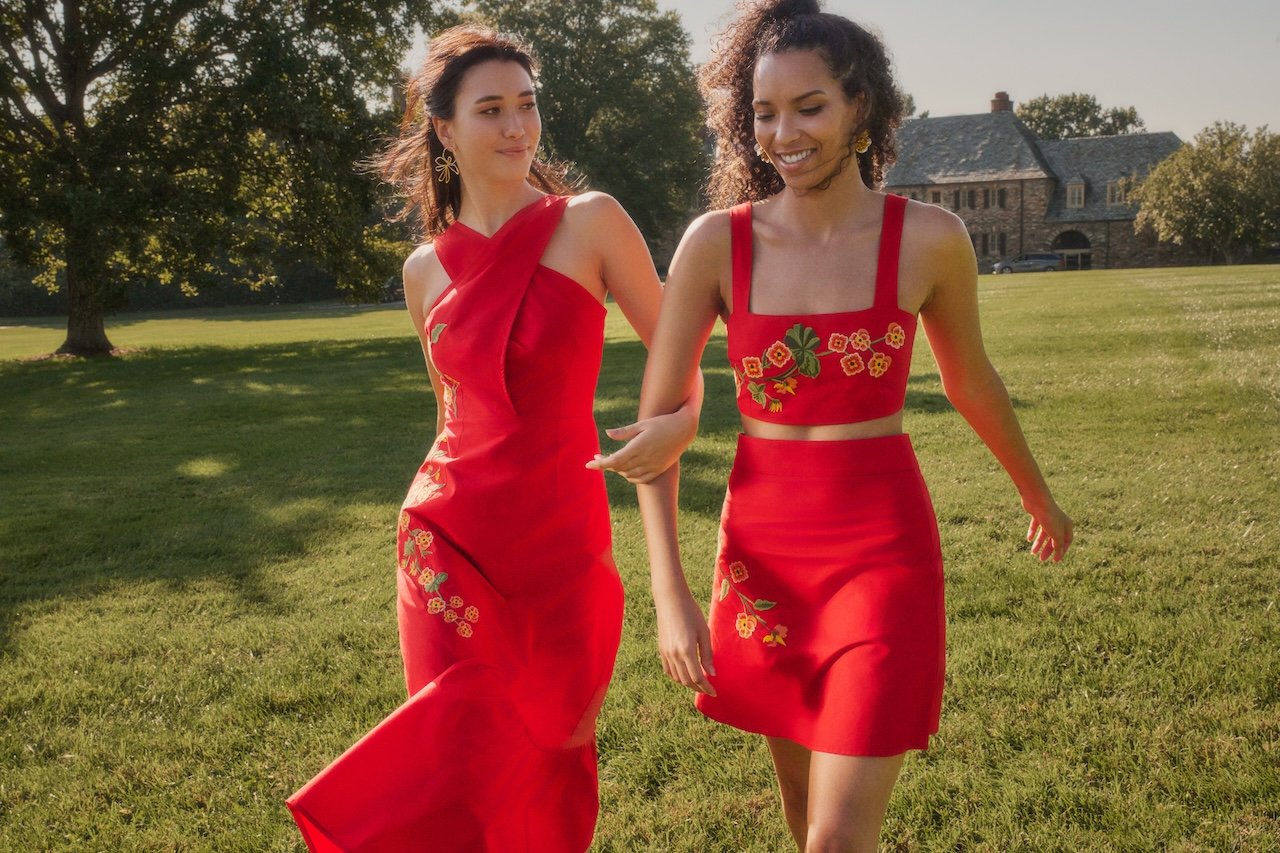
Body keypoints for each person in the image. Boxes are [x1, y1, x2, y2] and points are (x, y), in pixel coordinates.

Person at [610, 1, 1074, 849]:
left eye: (809, 107)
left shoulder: (930, 239)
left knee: (837, 834)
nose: (782, 133)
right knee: (801, 808)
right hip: (761, 556)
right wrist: (670, 594)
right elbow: (657, 424)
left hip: (881, 551)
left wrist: (1037, 494)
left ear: (862, 107)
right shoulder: (716, 244)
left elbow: (970, 379)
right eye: (763, 113)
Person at [286, 24, 697, 852]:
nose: (518, 127)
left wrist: (681, 422)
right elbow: (452, 415)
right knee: (461, 760)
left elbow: (681, 365)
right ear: (444, 129)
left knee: (553, 761)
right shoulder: (422, 271)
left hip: (561, 545)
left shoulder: (591, 223)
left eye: (528, 105)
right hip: (447, 541)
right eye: (491, 110)